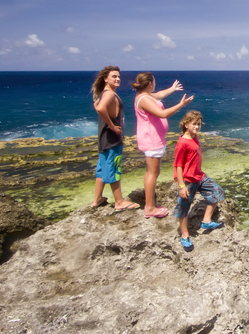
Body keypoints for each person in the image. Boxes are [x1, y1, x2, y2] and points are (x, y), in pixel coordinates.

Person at [132, 72, 194, 218]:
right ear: (150, 84)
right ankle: (149, 208)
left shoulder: (145, 95)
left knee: (150, 172)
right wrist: (181, 105)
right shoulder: (144, 99)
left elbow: (159, 95)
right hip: (152, 140)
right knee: (153, 173)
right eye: (154, 81)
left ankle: (150, 203)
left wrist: (172, 89)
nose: (155, 84)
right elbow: (163, 114)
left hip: (152, 139)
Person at [173, 110, 225, 251]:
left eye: (199, 124)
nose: (197, 126)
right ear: (186, 124)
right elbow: (178, 165)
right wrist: (182, 186)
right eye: (194, 124)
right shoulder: (182, 143)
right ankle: (185, 235)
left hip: (199, 176)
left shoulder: (194, 137)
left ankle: (206, 221)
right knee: (183, 207)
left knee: (216, 191)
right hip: (188, 180)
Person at [91, 66, 139, 212]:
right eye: (114, 76)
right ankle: (119, 201)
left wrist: (107, 121)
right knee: (114, 167)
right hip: (111, 139)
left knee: (102, 168)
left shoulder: (104, 93)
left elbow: (97, 106)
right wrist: (112, 126)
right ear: (106, 79)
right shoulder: (110, 93)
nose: (117, 79)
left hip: (104, 139)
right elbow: (101, 108)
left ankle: (97, 199)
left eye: (118, 76)